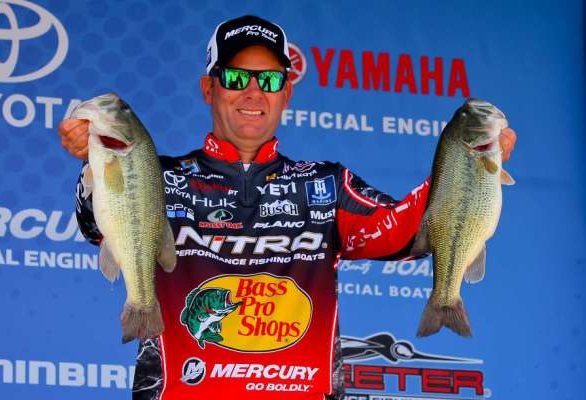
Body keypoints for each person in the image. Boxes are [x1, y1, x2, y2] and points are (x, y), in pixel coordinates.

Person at [59, 15, 516, 400]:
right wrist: (93, 163)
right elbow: (95, 225)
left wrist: (468, 170)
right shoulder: (157, 177)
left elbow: (404, 232)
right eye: (236, 78)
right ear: (208, 88)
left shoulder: (326, 184)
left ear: (286, 94)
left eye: (271, 80)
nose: (253, 92)